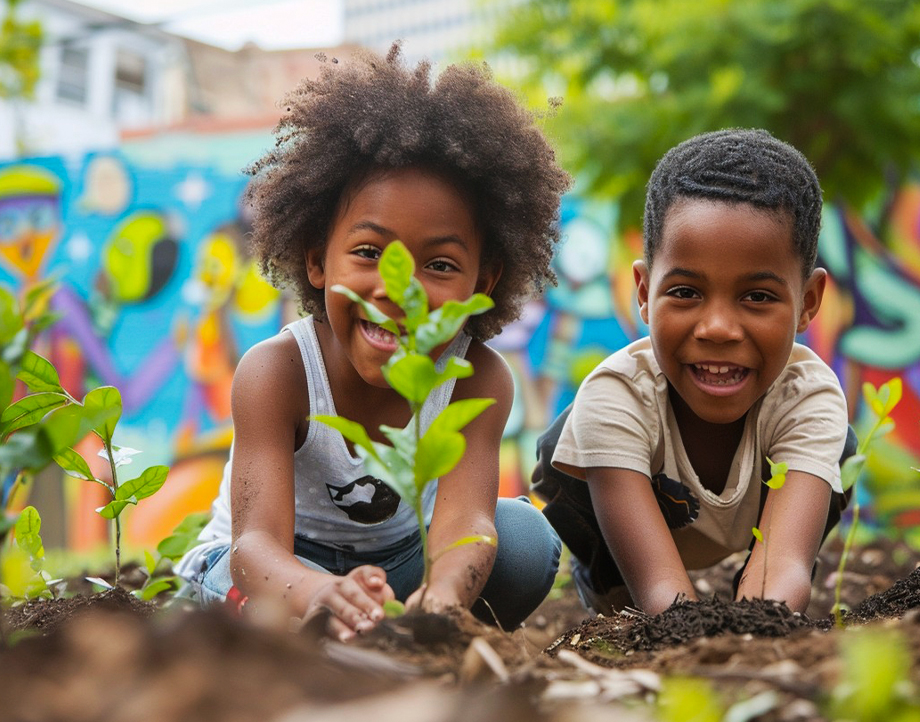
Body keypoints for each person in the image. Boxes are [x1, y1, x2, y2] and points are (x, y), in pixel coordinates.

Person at [176, 44, 570, 638]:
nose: (399, 289)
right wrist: (319, 592)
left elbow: (466, 520)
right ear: (317, 262)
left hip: (396, 568)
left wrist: (440, 600)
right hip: (270, 569)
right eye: (369, 253)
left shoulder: (477, 379)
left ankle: (392, 643)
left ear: (482, 282)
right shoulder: (278, 372)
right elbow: (255, 546)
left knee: (522, 541)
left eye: (439, 265)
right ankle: (313, 647)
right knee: (252, 601)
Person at [533, 128, 856, 617]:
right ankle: (609, 582)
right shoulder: (617, 396)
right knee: (563, 446)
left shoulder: (806, 399)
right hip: (624, 519)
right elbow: (665, 598)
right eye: (685, 292)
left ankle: (751, 577)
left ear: (808, 302)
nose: (719, 328)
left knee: (843, 448)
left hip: (764, 521)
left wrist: (760, 620)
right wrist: (672, 621)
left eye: (758, 297)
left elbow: (785, 567)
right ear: (643, 291)